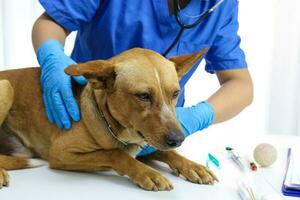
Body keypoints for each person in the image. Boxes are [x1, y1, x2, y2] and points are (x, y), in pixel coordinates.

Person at [32, 0, 253, 156]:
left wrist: (198, 116)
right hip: (82, 117)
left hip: (158, 135)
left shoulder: (221, 5)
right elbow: (52, 21)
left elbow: (240, 83)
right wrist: (52, 56)